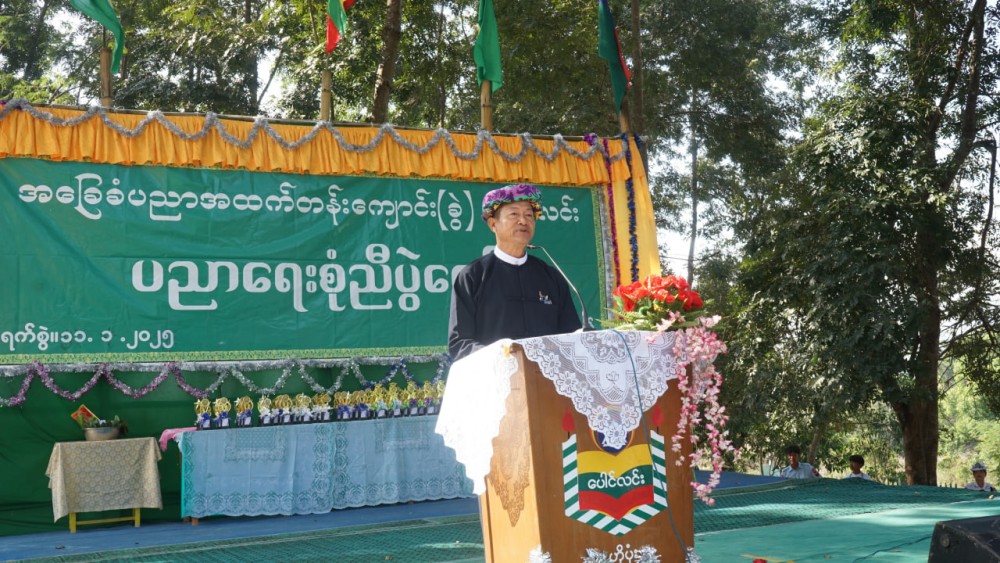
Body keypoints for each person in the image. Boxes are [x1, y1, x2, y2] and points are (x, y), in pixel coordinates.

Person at [447, 183, 581, 360]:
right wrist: (501, 355)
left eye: (529, 215)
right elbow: (460, 343)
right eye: (514, 214)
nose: (523, 221)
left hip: (547, 373)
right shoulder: (472, 276)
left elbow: (571, 334)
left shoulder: (551, 276)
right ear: (493, 224)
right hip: (496, 373)